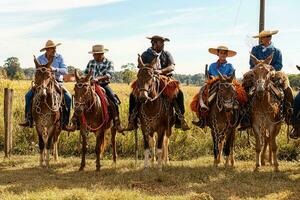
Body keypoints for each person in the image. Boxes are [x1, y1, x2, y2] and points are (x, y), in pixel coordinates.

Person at [125, 35, 190, 131]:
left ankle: (180, 118)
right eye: (161, 42)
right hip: (147, 78)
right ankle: (132, 119)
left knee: (179, 93)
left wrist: (160, 71)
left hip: (165, 78)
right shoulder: (145, 54)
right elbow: (140, 66)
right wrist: (149, 70)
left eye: (163, 43)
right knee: (133, 94)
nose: (163, 45)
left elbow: (172, 67)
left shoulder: (167, 54)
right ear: (153, 43)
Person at [239, 30, 293, 130]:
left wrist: (270, 69)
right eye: (265, 36)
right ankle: (244, 116)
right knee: (244, 87)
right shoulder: (255, 49)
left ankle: (288, 112)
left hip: (272, 73)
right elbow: (251, 64)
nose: (268, 38)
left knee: (287, 87)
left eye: (269, 36)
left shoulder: (277, 51)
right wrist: (258, 68)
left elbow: (279, 65)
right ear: (261, 39)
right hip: (257, 73)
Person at [67, 44, 123, 132]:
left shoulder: (109, 62)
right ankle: (75, 121)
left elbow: (109, 75)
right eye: (94, 54)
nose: (95, 56)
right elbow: (85, 73)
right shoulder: (91, 62)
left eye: (97, 54)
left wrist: (97, 79)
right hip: (90, 85)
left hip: (103, 85)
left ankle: (116, 121)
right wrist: (82, 79)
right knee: (80, 98)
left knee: (113, 98)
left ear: (102, 54)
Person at [19, 40, 71, 130]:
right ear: (47, 49)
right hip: (42, 82)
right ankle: (29, 119)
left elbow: (65, 71)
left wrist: (54, 69)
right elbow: (37, 72)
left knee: (68, 98)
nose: (55, 50)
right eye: (52, 48)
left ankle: (65, 123)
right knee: (28, 96)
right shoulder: (40, 58)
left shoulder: (59, 57)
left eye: (55, 48)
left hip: (57, 82)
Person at [192, 45, 237, 127]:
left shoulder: (230, 66)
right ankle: (203, 118)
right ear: (218, 54)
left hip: (226, 85)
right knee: (203, 95)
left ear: (227, 55)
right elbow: (209, 76)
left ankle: (240, 117)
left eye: (224, 53)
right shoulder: (212, 65)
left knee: (239, 96)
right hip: (214, 84)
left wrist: (226, 78)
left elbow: (232, 77)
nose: (222, 55)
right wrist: (213, 78)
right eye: (221, 53)